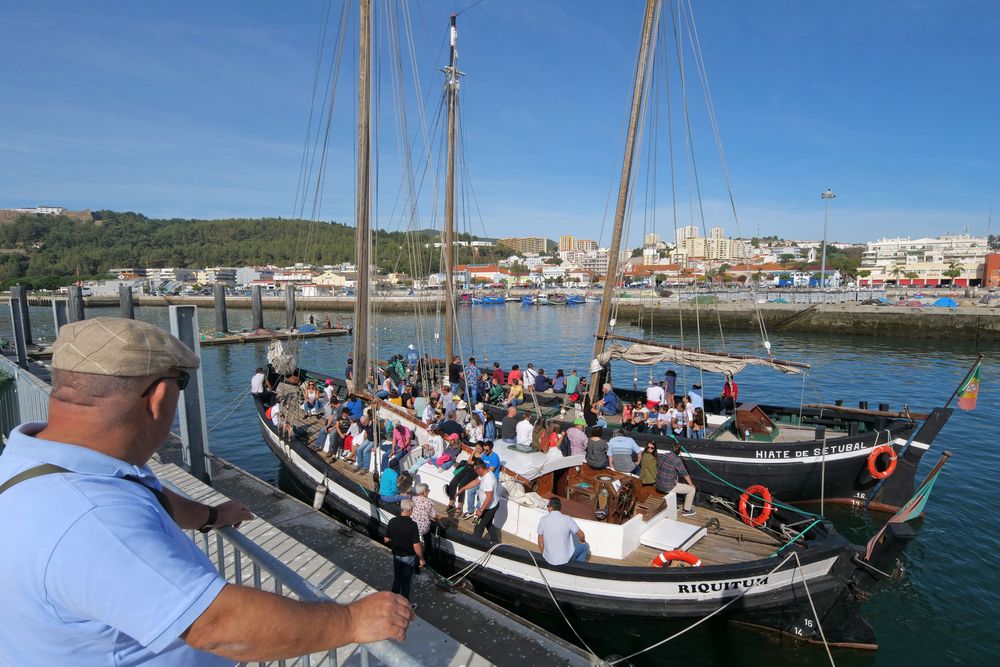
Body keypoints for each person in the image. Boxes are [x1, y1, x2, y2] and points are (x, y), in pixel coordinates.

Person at [0, 317, 412, 665]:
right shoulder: (92, 517)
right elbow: (216, 625)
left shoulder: (33, 462)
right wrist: (352, 622)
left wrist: (211, 515)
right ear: (159, 398)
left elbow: (144, 493)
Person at [383, 498, 424, 602]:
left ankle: (392, 601)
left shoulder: (392, 521)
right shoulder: (413, 525)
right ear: (410, 510)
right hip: (408, 556)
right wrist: (421, 558)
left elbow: (386, 539)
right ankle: (404, 603)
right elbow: (416, 546)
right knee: (406, 581)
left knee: (397, 578)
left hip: (396, 555)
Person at [537, 497, 589, 565]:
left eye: (548, 506)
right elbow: (581, 535)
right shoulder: (567, 519)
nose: (547, 508)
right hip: (565, 559)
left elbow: (540, 539)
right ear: (559, 507)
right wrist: (582, 541)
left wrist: (544, 554)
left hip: (548, 559)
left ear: (551, 508)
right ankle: (578, 567)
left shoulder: (543, 520)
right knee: (585, 546)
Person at [655, 443, 697, 516]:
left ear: (671, 449)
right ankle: (686, 510)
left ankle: (674, 505)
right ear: (679, 451)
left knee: (675, 480)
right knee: (692, 489)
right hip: (667, 486)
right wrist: (691, 484)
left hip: (658, 484)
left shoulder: (664, 455)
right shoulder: (677, 460)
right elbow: (685, 473)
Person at [465, 461, 501, 544]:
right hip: (489, 505)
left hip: (490, 507)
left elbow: (489, 497)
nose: (475, 472)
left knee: (479, 526)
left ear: (480, 469)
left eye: (475, 470)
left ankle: (475, 544)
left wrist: (481, 510)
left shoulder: (488, 480)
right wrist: (462, 489)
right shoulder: (485, 473)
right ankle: (495, 542)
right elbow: (475, 482)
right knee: (488, 523)